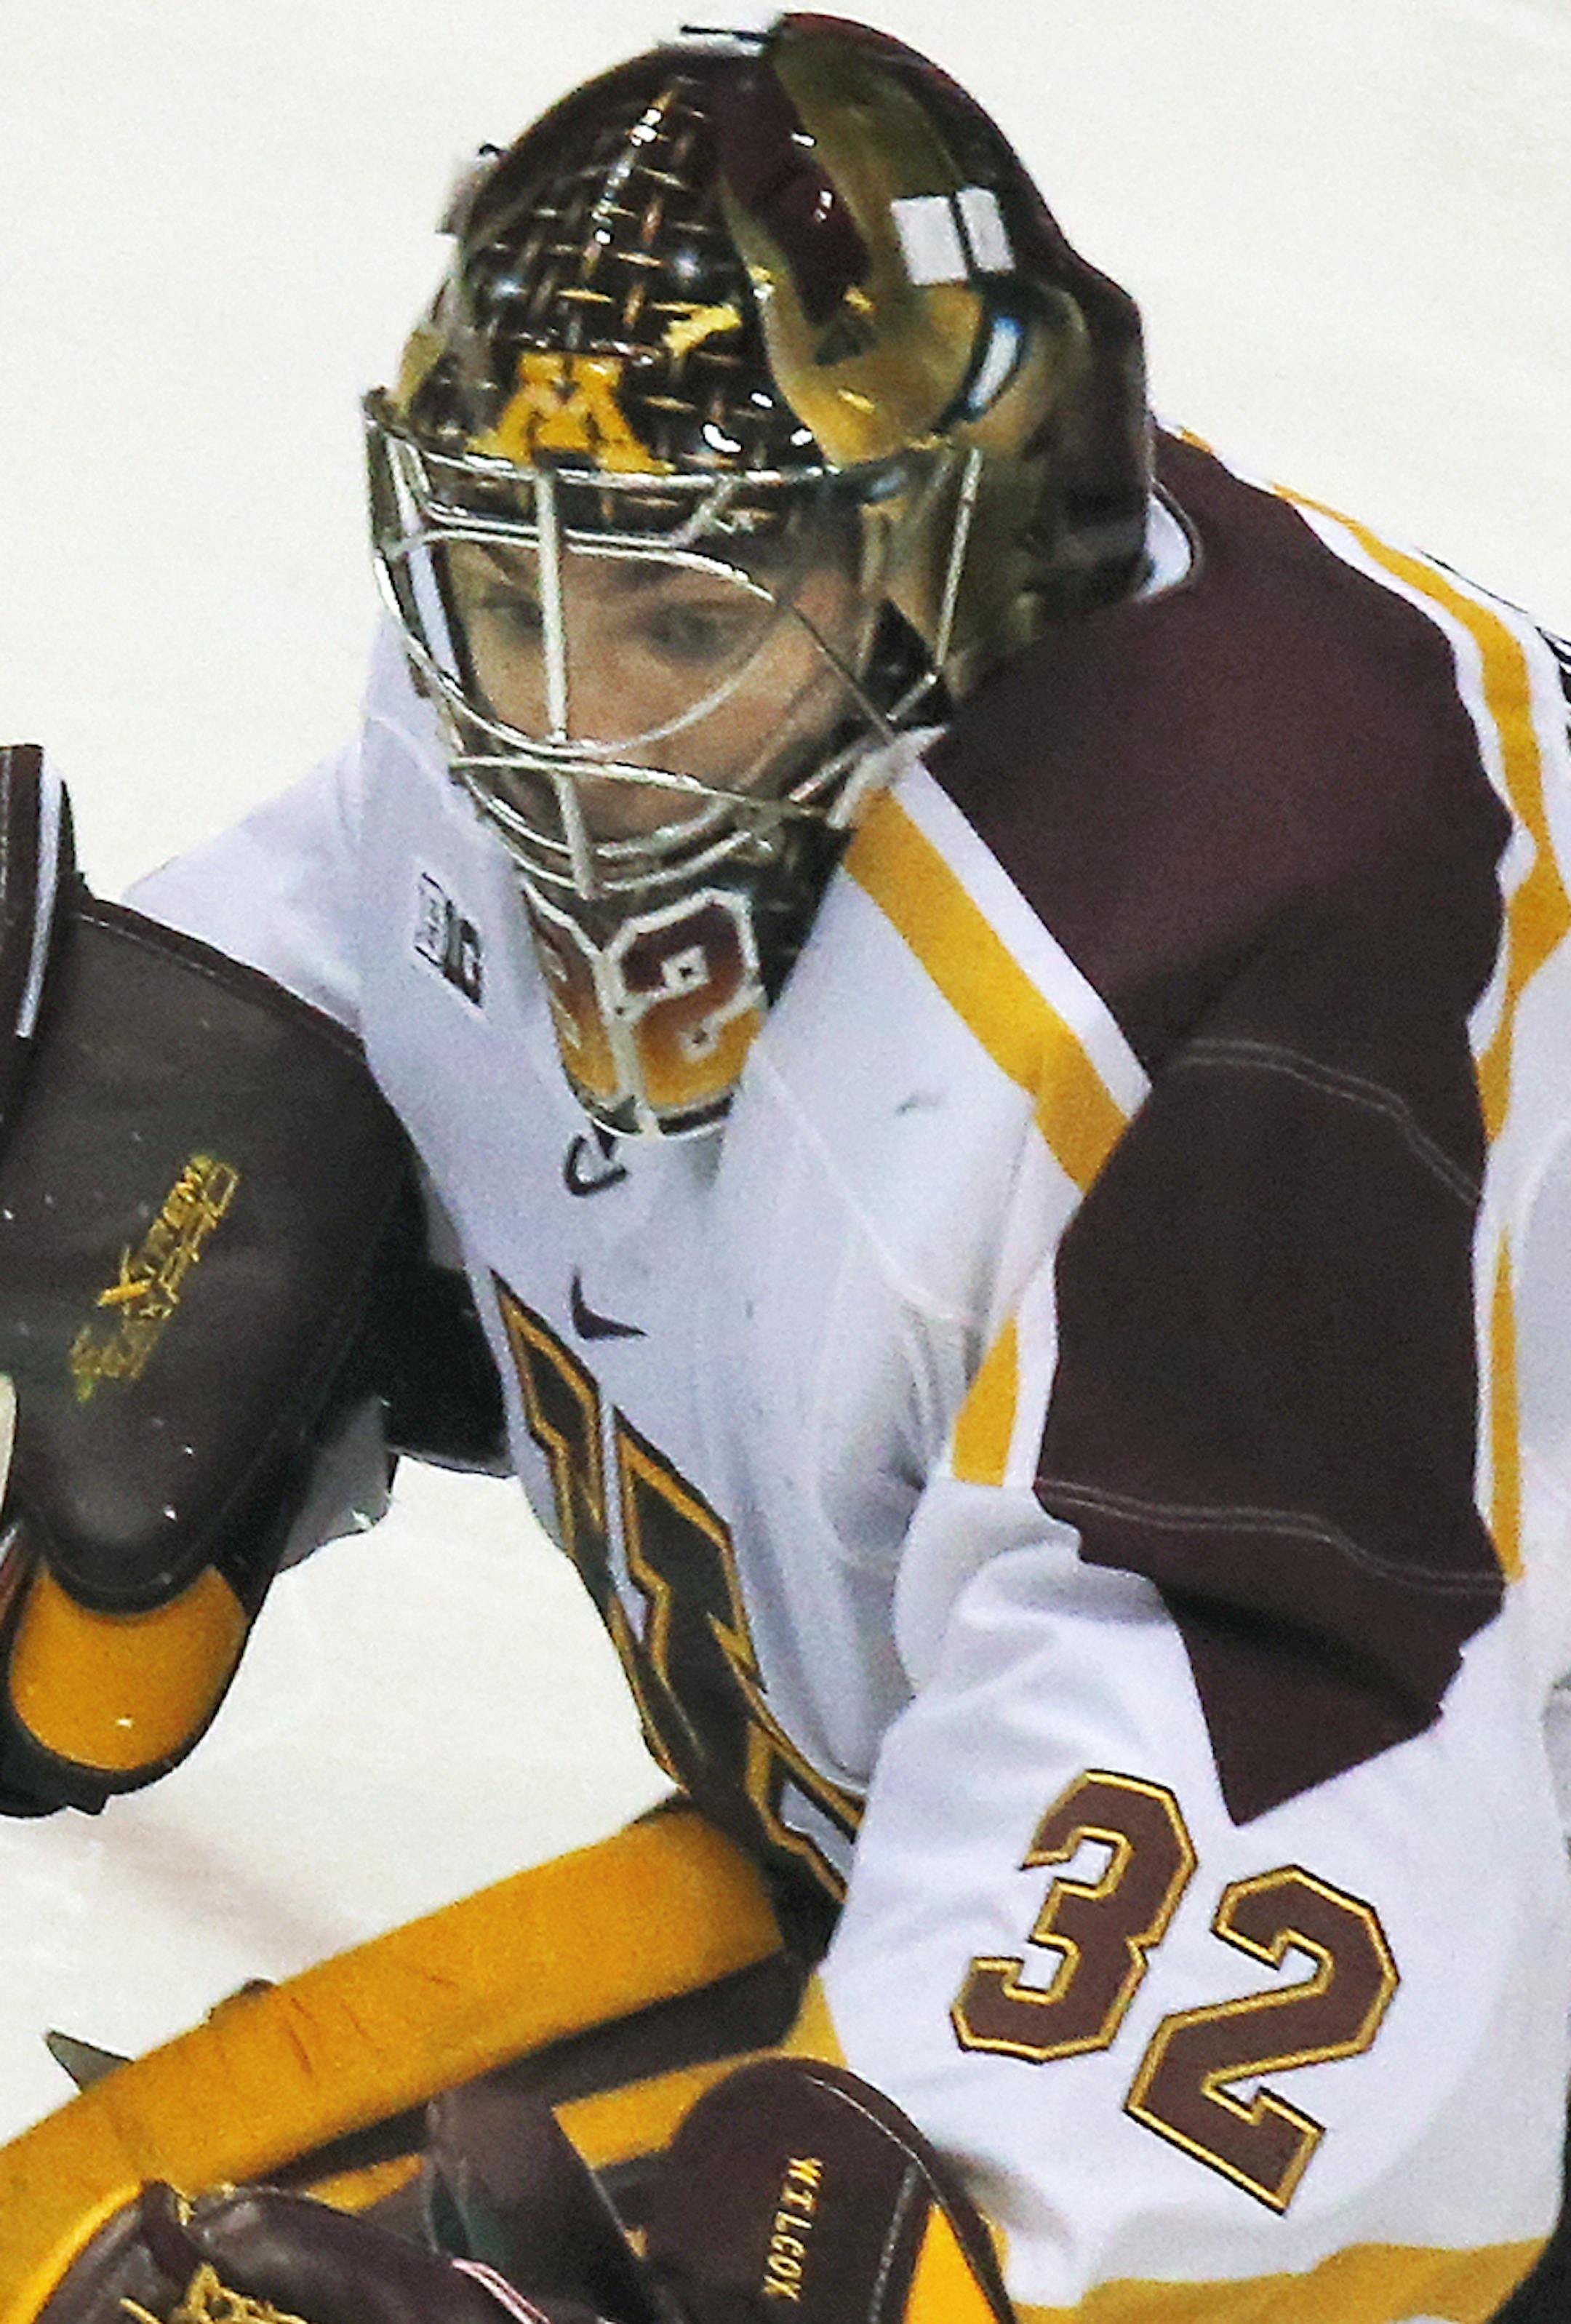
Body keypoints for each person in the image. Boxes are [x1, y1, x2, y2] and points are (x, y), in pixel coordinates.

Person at [13, 13, 1571, 2323]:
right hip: (960, 1876)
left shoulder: (1256, 932)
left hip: (1419, 2069)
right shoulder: (562, 721)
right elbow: (343, 1006)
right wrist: (119, 1192)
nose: (570, 723)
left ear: (939, 563)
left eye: (677, 624)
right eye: (515, 592)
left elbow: (1294, 1806)